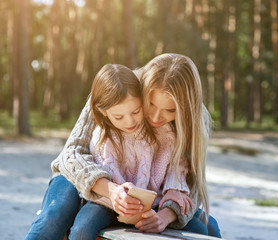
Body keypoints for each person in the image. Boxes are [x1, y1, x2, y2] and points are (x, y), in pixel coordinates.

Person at [25, 53, 221, 240]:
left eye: (170, 110)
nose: (154, 117)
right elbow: (72, 153)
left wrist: (167, 214)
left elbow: (191, 184)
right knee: (56, 214)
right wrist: (110, 189)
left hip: (139, 193)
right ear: (143, 92)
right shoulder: (119, 91)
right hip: (78, 176)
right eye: (150, 104)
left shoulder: (195, 121)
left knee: (209, 226)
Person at [66, 63, 192, 239]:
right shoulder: (103, 133)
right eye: (119, 117)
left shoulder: (165, 133)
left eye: (136, 111)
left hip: (151, 207)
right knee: (82, 229)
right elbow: (98, 172)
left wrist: (167, 205)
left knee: (204, 229)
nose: (130, 121)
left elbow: (177, 168)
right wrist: (118, 194)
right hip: (107, 202)